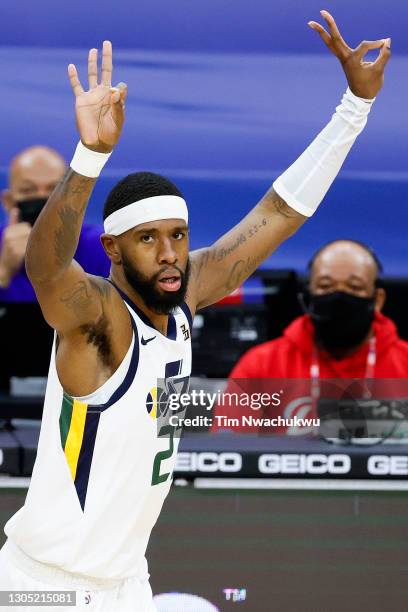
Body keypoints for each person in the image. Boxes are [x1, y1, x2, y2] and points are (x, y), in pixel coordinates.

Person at [0, 11, 391, 610]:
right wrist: (87, 157)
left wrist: (354, 110)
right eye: (148, 238)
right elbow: (46, 269)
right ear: (112, 249)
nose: (169, 254)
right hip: (45, 588)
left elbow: (280, 211)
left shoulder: (186, 294)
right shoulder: (98, 322)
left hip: (126, 581)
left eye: (178, 235)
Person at [212, 239, 408, 434]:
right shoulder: (261, 365)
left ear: (378, 299)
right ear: (308, 297)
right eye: (325, 286)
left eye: (354, 287)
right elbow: (228, 449)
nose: (339, 296)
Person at [0, 146, 109, 300]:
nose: (43, 198)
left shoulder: (100, 247)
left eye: (54, 189)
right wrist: (3, 272)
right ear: (8, 201)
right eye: (28, 190)